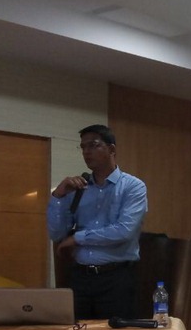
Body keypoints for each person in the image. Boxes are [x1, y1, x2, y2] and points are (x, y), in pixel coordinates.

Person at [47, 124, 148, 319]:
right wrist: (58, 196)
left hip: (116, 277)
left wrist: (78, 238)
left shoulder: (133, 186)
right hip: (80, 277)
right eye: (83, 147)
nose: (86, 152)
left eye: (93, 145)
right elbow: (56, 233)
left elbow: (123, 231)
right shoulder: (78, 188)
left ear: (111, 149)